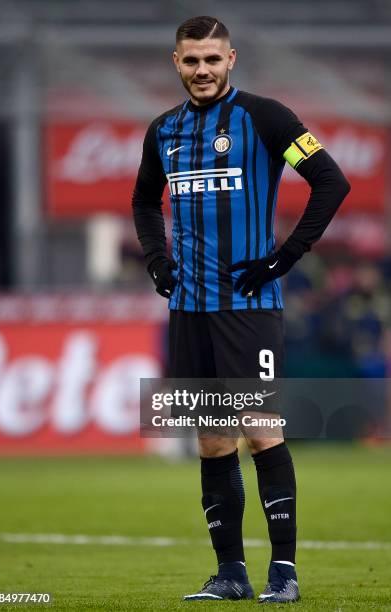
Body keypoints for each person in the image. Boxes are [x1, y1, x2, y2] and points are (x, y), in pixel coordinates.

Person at [132, 15, 350, 603]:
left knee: (259, 430)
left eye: (212, 59)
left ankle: (284, 572)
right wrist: (156, 260)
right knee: (211, 440)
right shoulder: (163, 129)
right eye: (191, 60)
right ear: (174, 63)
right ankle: (230, 574)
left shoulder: (266, 116)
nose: (202, 69)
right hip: (189, 307)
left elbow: (331, 181)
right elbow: (142, 199)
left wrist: (284, 259)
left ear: (232, 60)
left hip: (248, 305)